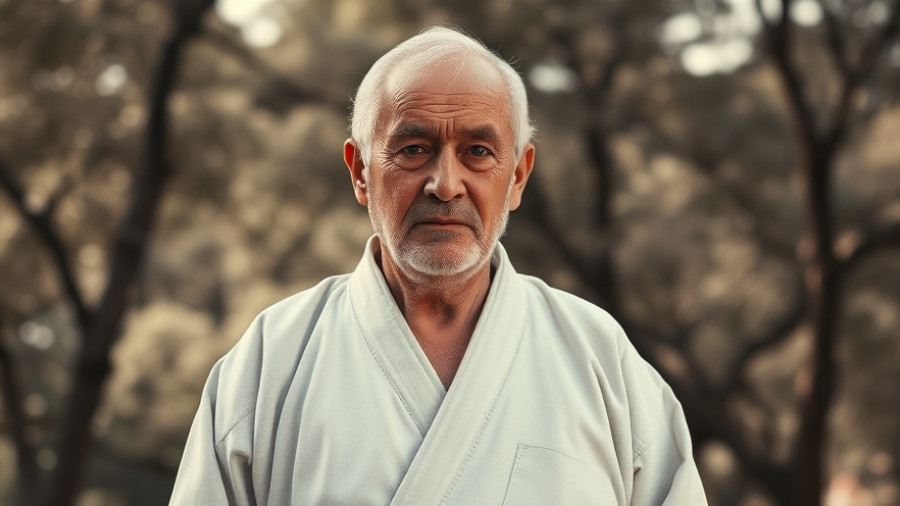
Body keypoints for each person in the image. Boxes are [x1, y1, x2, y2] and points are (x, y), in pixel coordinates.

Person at [170, 26, 707, 505]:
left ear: (517, 175)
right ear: (360, 171)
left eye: (477, 151)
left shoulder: (599, 359)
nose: (445, 184)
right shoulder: (272, 363)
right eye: (412, 149)